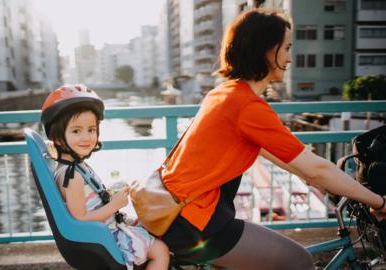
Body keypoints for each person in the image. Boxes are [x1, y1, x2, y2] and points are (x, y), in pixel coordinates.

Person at [159, 8, 386, 270]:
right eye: (287, 48)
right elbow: (317, 166)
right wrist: (378, 201)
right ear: (266, 49)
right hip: (197, 224)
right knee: (298, 260)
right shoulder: (247, 106)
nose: (291, 57)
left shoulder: (223, 93)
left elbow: (275, 154)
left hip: (177, 216)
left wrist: (314, 179)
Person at [40, 84, 169, 270]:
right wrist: (114, 205)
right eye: (76, 131)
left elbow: (87, 201)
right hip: (106, 237)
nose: (86, 137)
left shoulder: (75, 166)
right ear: (58, 138)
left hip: (107, 228)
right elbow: (81, 219)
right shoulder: (72, 175)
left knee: (149, 225)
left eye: (91, 130)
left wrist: (108, 194)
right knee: (160, 250)